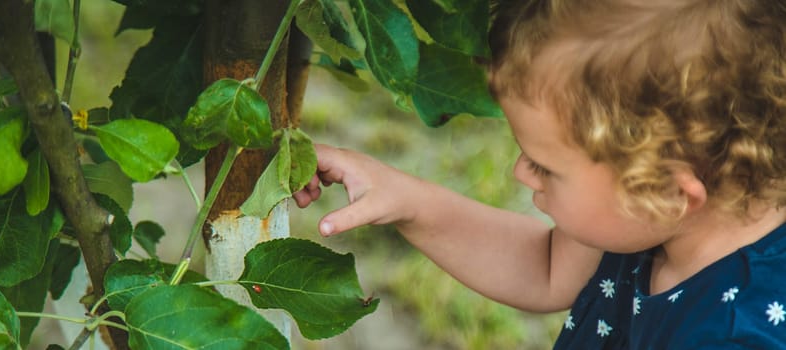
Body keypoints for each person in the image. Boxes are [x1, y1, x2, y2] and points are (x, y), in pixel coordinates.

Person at [293, 0, 786, 348]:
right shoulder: (646, 218)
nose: (521, 173)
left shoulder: (734, 335)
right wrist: (406, 200)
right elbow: (547, 268)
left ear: (663, 191)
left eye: (546, 167)